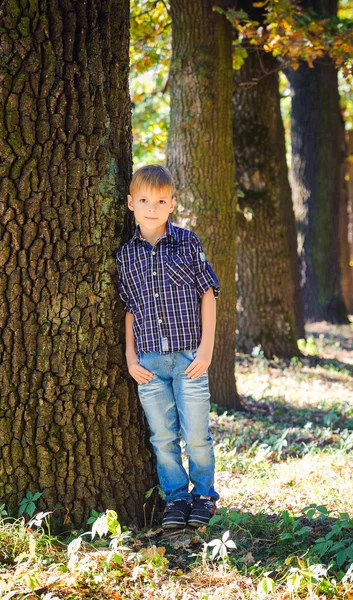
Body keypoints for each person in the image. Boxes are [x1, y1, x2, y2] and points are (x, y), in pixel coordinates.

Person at [115, 164, 220, 529]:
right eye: (144, 200)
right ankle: (176, 499)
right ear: (130, 203)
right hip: (148, 363)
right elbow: (129, 309)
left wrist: (207, 349)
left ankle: (204, 495)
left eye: (160, 200)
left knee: (196, 435)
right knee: (162, 437)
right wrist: (130, 357)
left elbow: (208, 294)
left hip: (190, 357)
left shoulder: (188, 243)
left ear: (172, 203)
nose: (152, 207)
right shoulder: (126, 256)